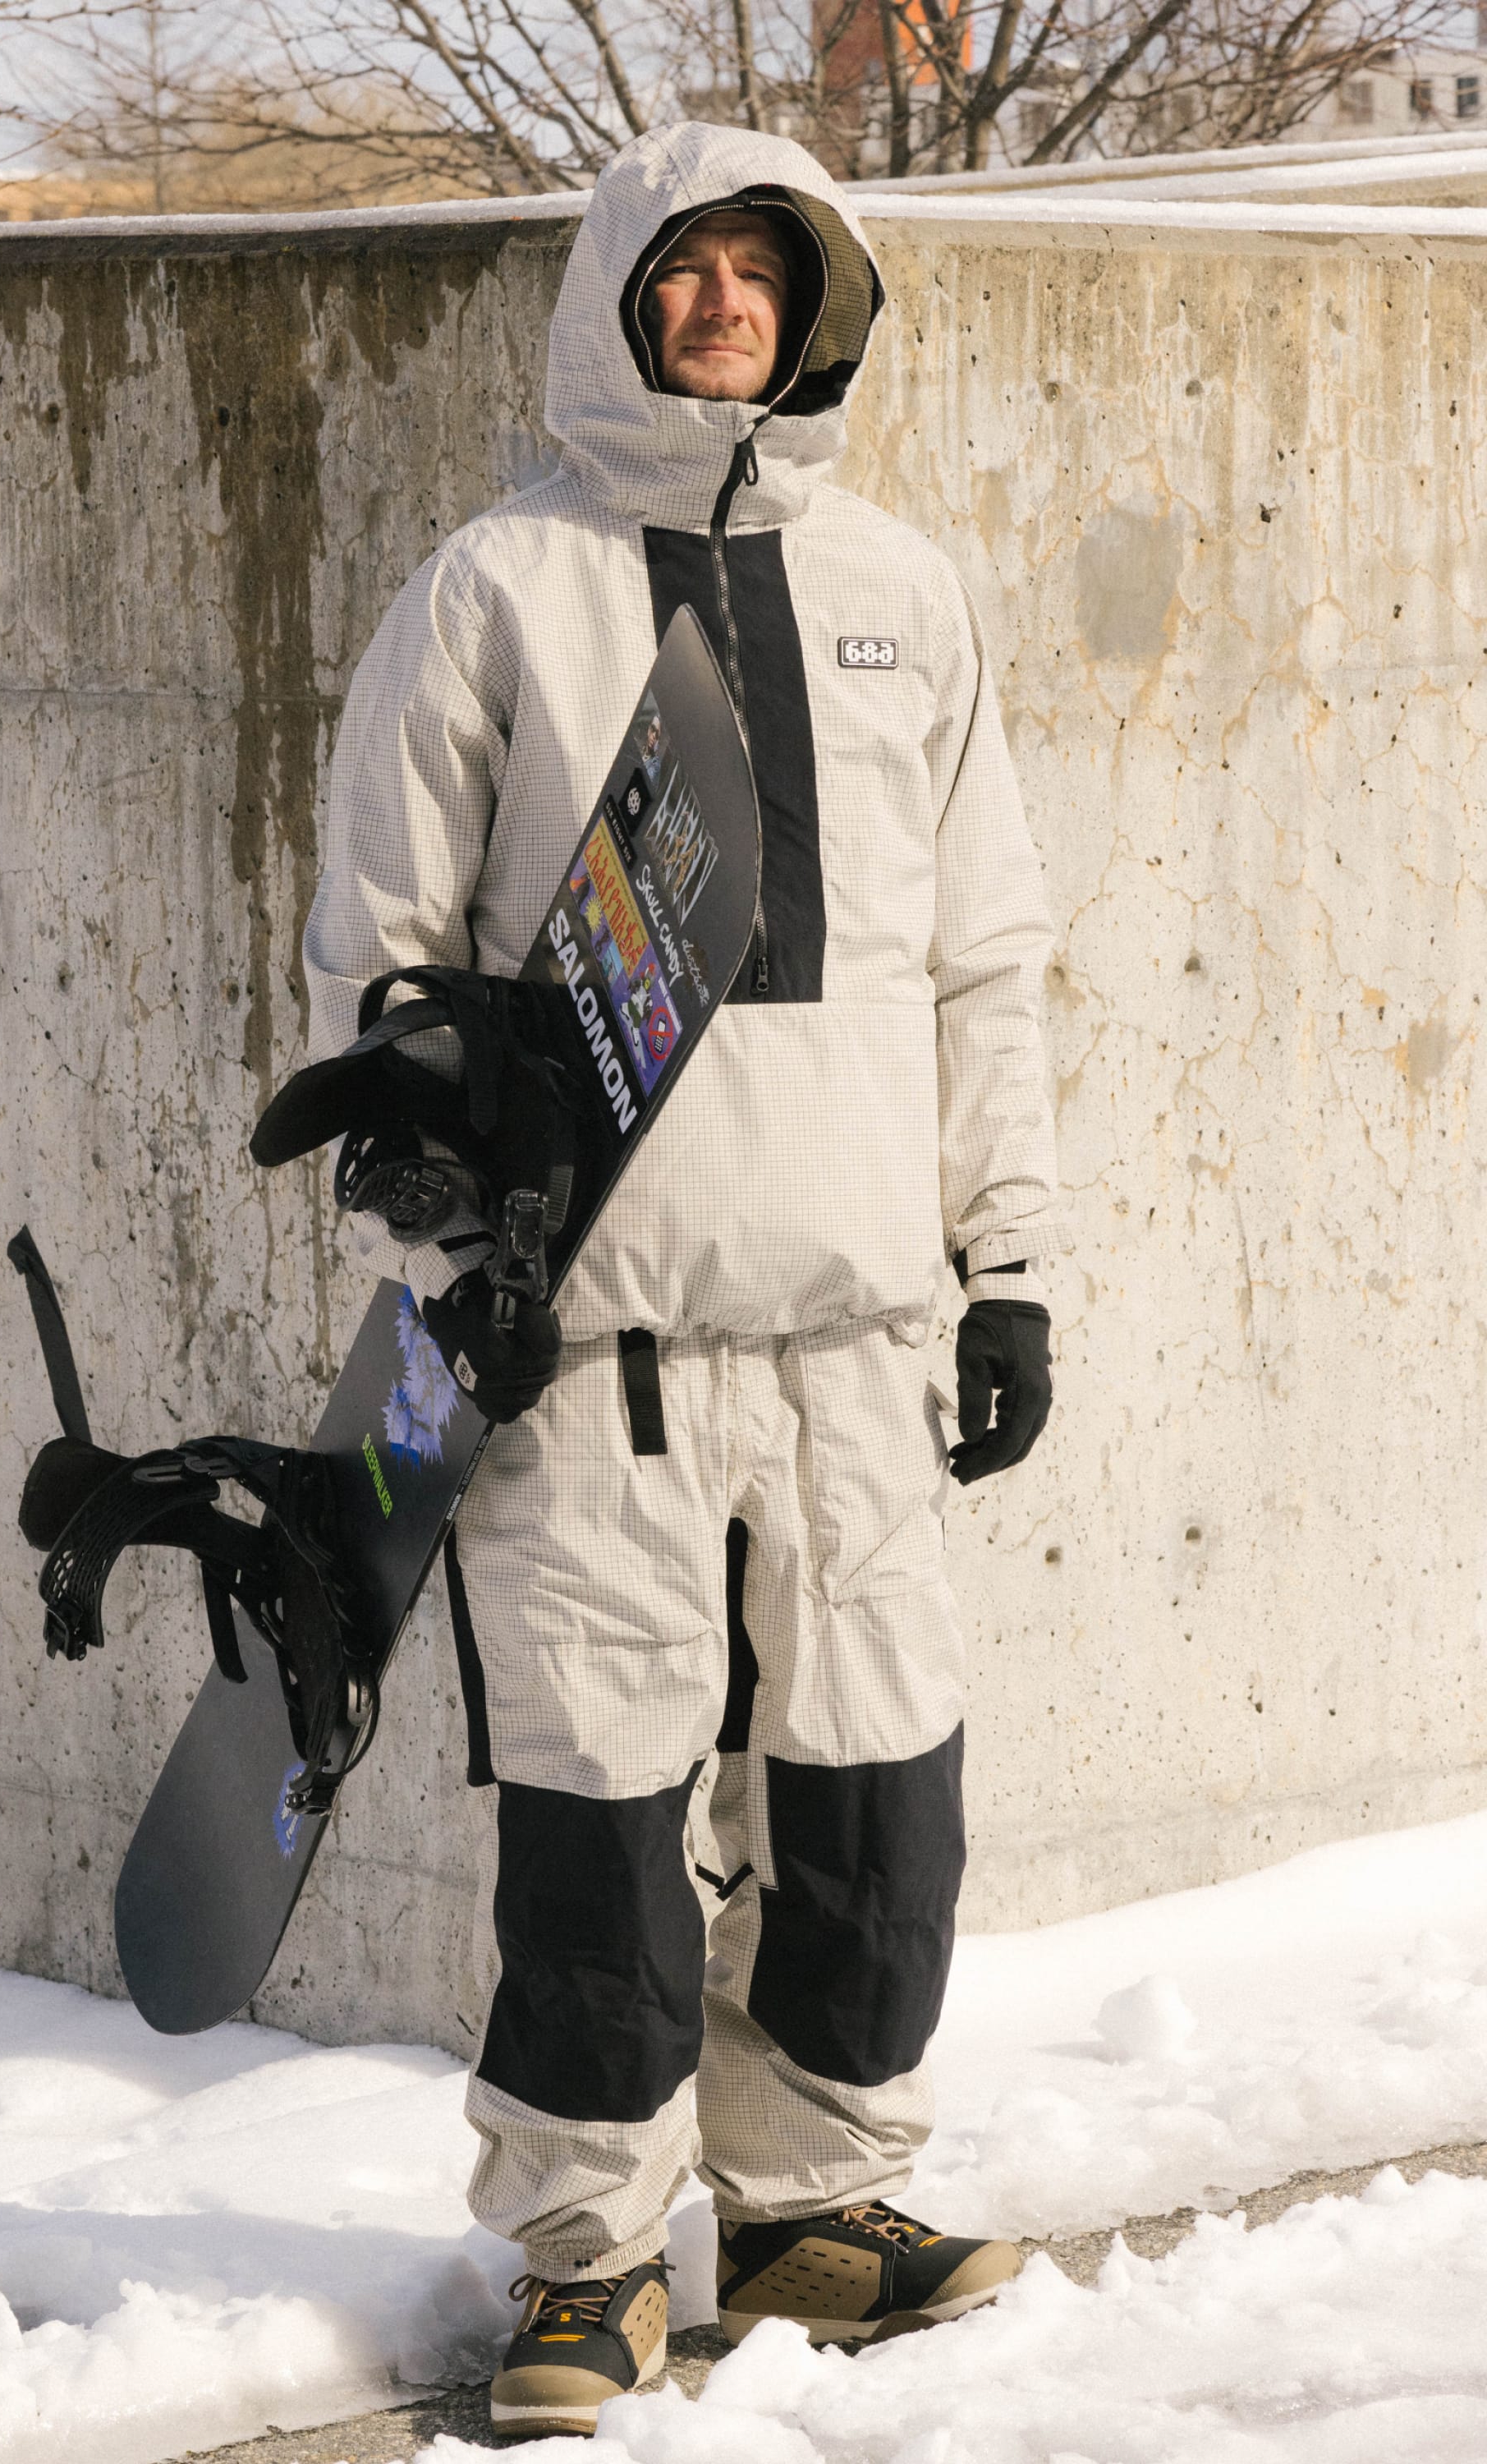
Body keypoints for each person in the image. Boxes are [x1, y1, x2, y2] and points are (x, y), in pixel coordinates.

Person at [304, 121, 1069, 2442]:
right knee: (600, 1827)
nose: (725, 299)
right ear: (618, 294)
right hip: (597, 1347)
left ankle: (825, 2201)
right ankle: (587, 2260)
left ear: (815, 297)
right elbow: (386, 966)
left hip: (855, 1336)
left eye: (766, 263)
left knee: (875, 1806)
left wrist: (1009, 1261)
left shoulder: (903, 590)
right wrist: (460, 1244)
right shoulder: (497, 590)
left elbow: (986, 962)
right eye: (686, 265)